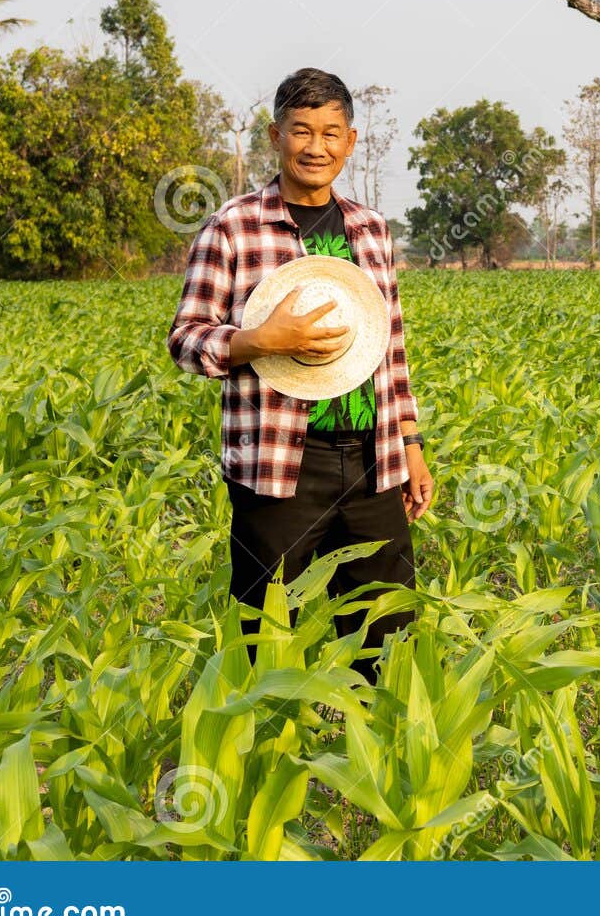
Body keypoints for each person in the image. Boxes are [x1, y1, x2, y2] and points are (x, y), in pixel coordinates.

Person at [166, 67, 434, 683]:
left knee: (386, 640)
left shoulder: (372, 231)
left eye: (331, 132)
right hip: (280, 462)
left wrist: (411, 445)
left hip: (373, 461)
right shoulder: (232, 227)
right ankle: (265, 760)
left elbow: (389, 350)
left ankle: (373, 764)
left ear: (351, 140)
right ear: (276, 135)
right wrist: (258, 341)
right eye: (302, 131)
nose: (317, 147)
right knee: (265, 637)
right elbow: (185, 339)